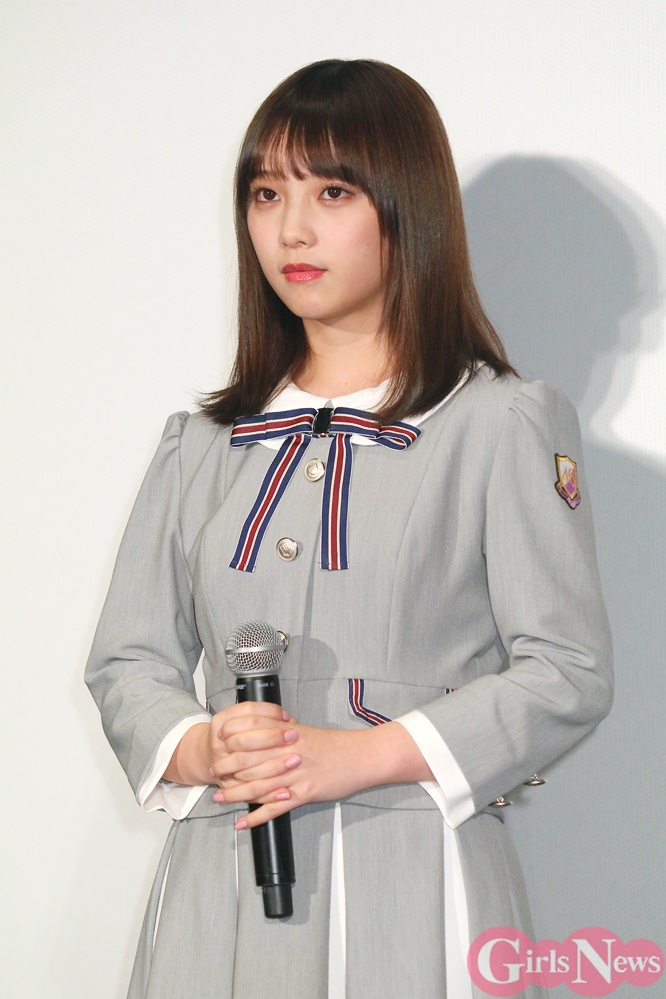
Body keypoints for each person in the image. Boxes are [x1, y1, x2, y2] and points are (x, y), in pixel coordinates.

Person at [85, 59, 613, 999]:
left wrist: (358, 755)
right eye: (266, 193)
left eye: (332, 191)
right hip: (222, 879)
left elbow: (567, 668)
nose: (291, 228)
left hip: (416, 870)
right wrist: (201, 746)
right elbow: (128, 658)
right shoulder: (200, 444)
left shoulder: (500, 422)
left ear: (407, 206)